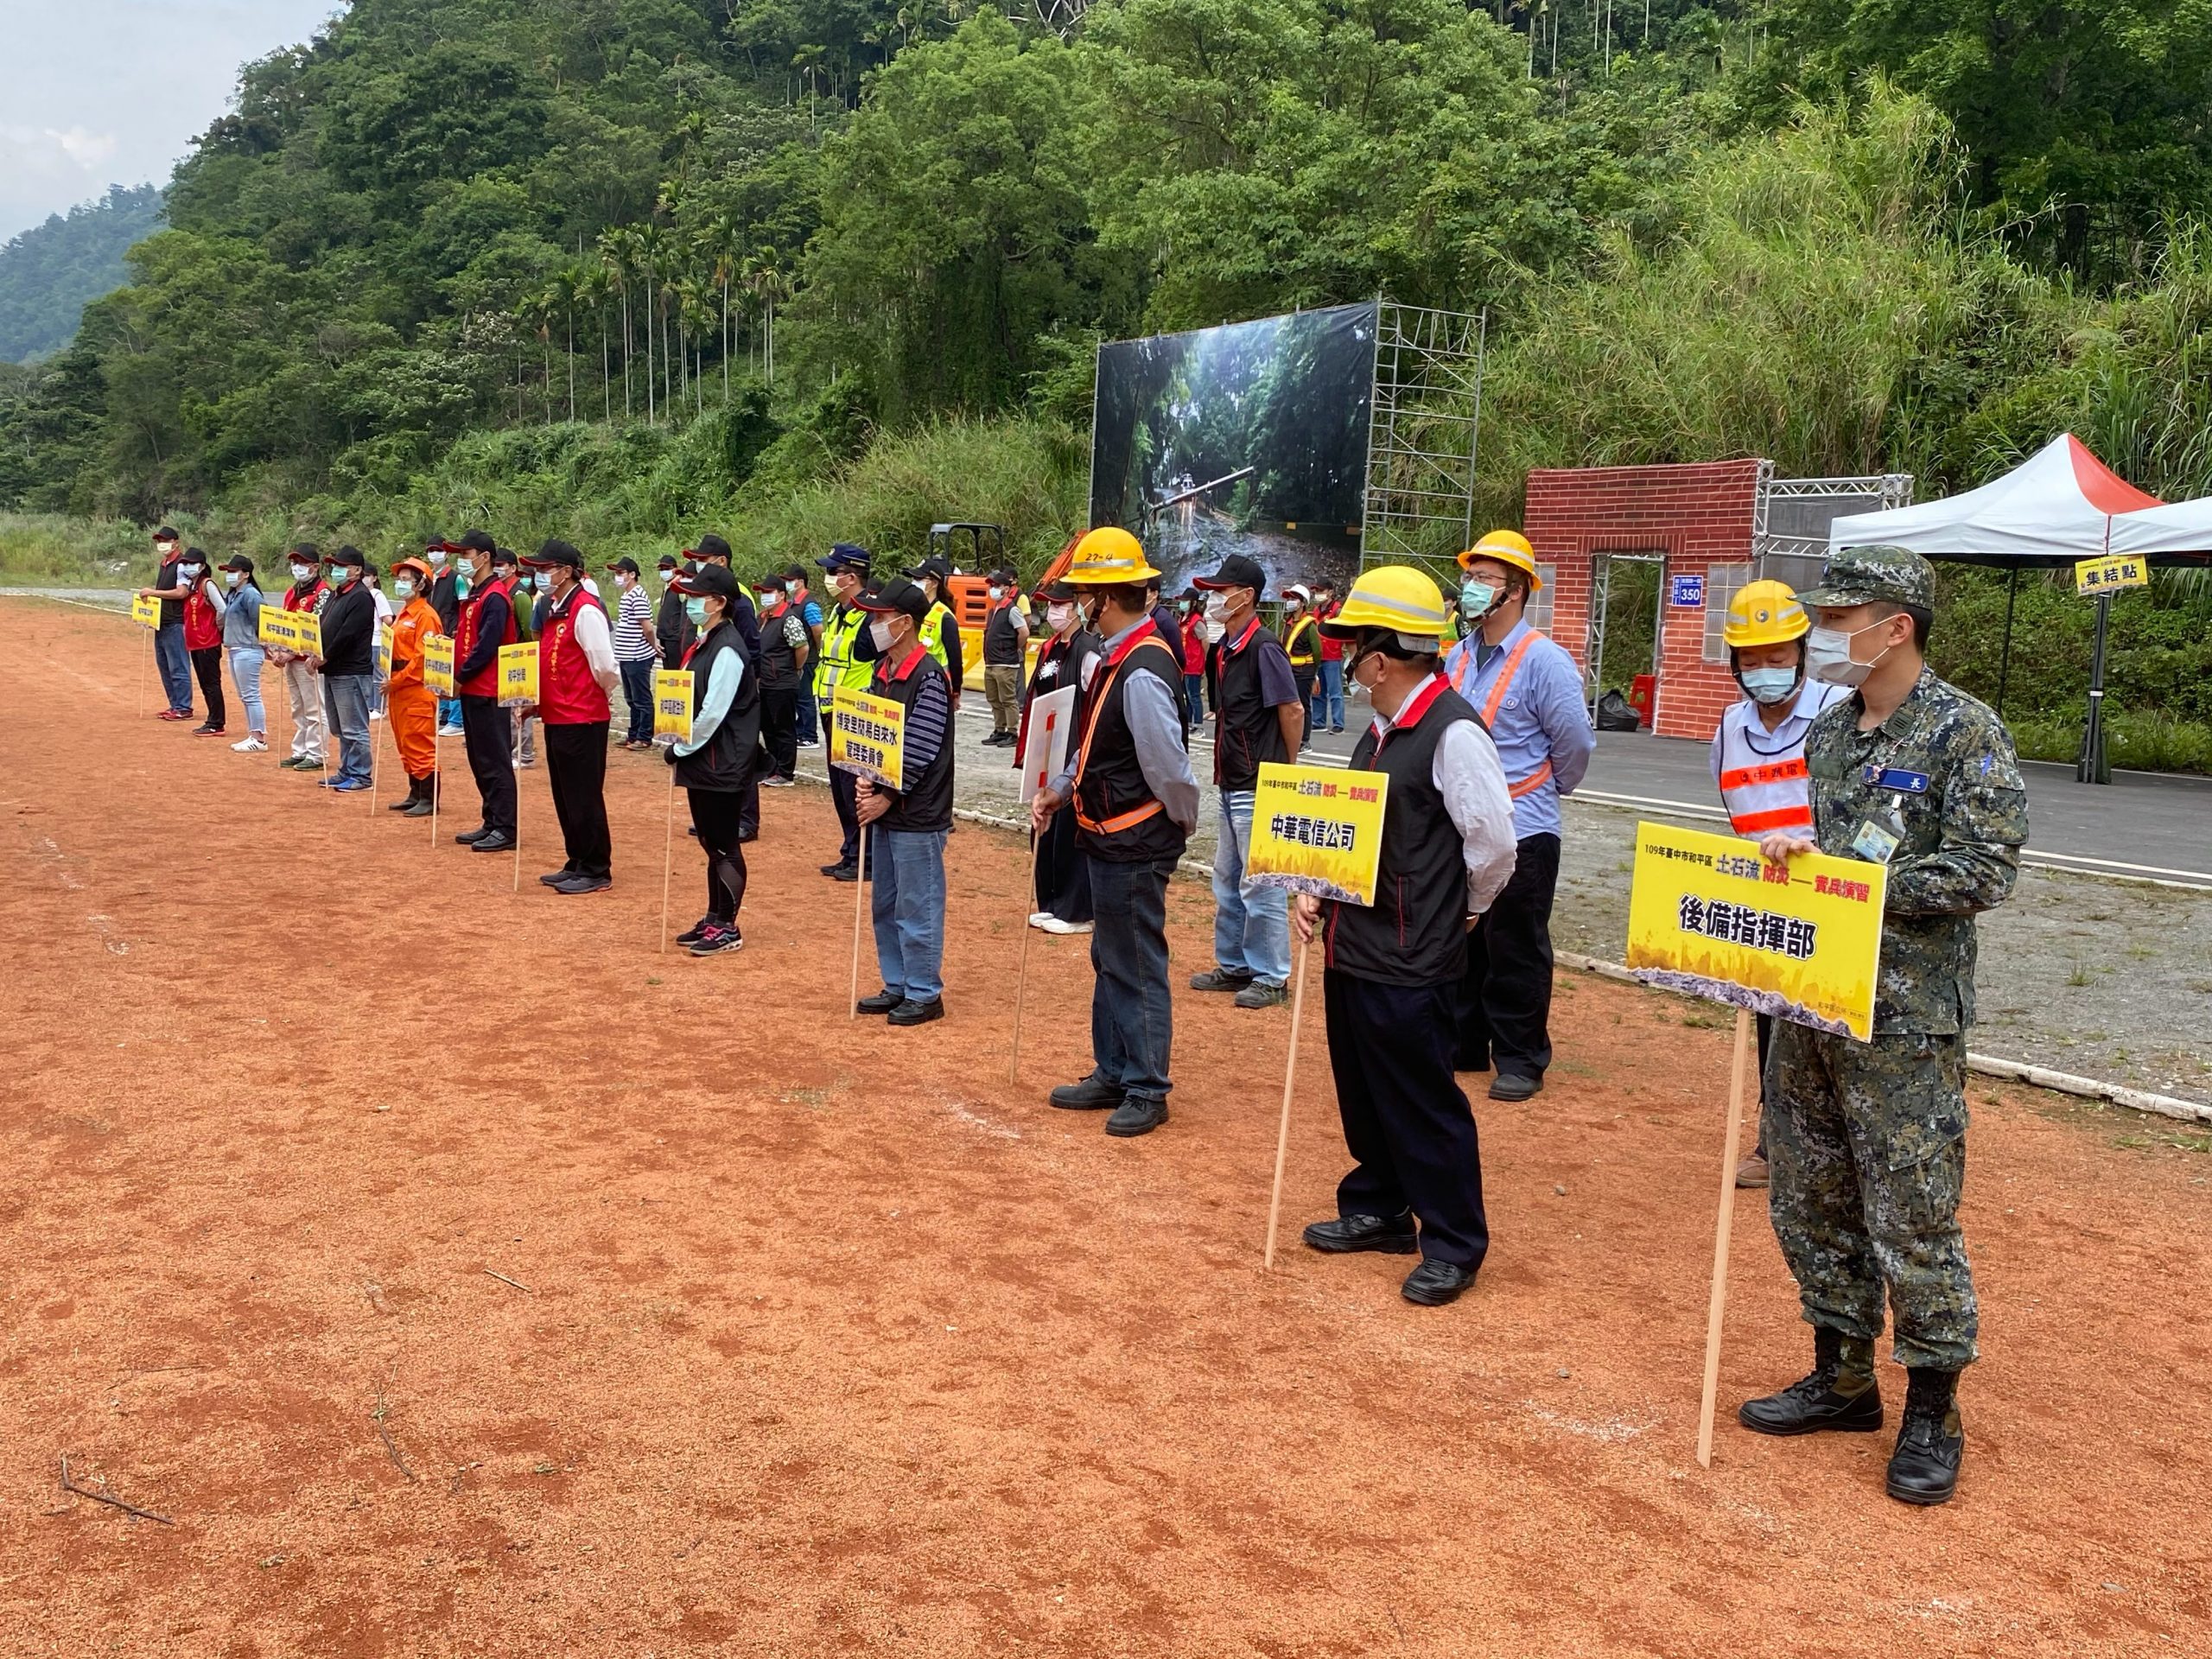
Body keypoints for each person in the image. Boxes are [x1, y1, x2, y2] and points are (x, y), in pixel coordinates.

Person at [1737, 543, 2027, 1509]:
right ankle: (1843, 1377)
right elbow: (1832, 854)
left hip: (1902, 1022)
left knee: (1911, 1216)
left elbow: (1984, 871)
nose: (1821, 636)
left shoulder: (1963, 732)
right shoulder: (1830, 736)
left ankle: (1933, 1408)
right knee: (1812, 1199)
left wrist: (1861, 886)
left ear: (1892, 625)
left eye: (1836, 617)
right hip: (1815, 1004)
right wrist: (1796, 863)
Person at [1291, 567, 1518, 1307]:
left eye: (1352, 648)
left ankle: (1452, 1240)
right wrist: (1314, 887)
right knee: (1362, 1086)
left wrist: (1465, 911)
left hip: (1412, 953)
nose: (1346, 662)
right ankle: (1381, 1205)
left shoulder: (1452, 733)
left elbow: (1494, 847)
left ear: (1380, 660)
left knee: (1421, 1097)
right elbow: (1350, 829)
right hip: (1353, 945)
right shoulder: (1381, 731)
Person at [1031, 528, 1200, 1138]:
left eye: (1083, 594)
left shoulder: (1144, 667)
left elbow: (1170, 770)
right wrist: (1063, 787)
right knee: (1111, 956)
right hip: (1106, 833)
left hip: (1135, 839)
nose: (1076, 603)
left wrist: (1181, 821)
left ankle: (1147, 1086)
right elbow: (1097, 742)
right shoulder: (1116, 656)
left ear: (1104, 599)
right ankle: (1115, 1069)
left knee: (1134, 960)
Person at [1443, 528, 1595, 1102]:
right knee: (1463, 939)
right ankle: (1465, 1041)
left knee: (1515, 943)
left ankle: (1520, 1058)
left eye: (1484, 579)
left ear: (1517, 592)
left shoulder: (1545, 662)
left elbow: (1574, 744)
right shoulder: (1456, 658)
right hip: (1461, 827)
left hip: (1524, 825)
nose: (1472, 588)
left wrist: (1552, 791)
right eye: (1470, 577)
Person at [1710, 580, 1850, 1189]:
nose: (1765, 669)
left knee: (1836, 1026)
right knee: (1773, 1025)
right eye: (1752, 659)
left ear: (1802, 650)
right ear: (1735, 663)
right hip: (1770, 900)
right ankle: (1776, 1144)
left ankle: (1846, 1149)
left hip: (1834, 896)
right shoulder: (1729, 726)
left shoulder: (1839, 712)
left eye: (1778, 656)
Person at [1191, 552, 1302, 1008]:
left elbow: (1291, 709)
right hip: (1232, 779)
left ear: (1246, 596)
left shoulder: (1264, 648)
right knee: (1229, 877)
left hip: (1258, 781)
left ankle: (1272, 976)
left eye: (1221, 591)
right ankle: (1236, 965)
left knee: (1261, 881)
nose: (1214, 599)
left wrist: (1283, 767)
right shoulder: (1226, 649)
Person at [849, 577, 956, 1027]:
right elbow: (875, 734)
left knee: (918, 903)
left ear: (904, 622)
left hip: (918, 812)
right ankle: (896, 984)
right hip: (889, 808)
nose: (872, 624)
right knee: (887, 902)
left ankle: (924, 991)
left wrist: (886, 796)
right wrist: (864, 779)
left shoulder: (928, 675)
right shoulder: (883, 671)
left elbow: (920, 747)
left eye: (879, 616)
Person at [666, 564, 761, 956]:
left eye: (695, 596)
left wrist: (681, 747)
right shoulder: (707, 641)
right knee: (710, 842)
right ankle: (713, 916)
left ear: (719, 602)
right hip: (705, 760)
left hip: (723, 761)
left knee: (724, 845)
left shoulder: (728, 649)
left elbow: (712, 712)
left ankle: (728, 926)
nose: (689, 602)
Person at [522, 541, 622, 893]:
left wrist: (596, 696)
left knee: (584, 795)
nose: (540, 575)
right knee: (565, 795)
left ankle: (596, 868)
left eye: (546, 568)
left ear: (566, 571)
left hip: (583, 718)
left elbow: (606, 666)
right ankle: (577, 859)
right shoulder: (554, 607)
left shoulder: (585, 610)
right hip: (558, 716)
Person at [1020, 579, 1102, 935]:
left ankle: (1076, 910)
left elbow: (1095, 701)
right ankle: (1050, 902)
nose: (1053, 611)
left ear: (1077, 608)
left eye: (1060, 604)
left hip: (1072, 753)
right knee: (1043, 828)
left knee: (1070, 830)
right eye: (1048, 605)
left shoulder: (1088, 652)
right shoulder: (1050, 648)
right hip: (1046, 750)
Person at [450, 531, 519, 853]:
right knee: (479, 758)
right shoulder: (475, 594)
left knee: (495, 759)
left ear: (485, 557)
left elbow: (486, 646)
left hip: (488, 688)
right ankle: (491, 820)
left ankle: (505, 827)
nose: (463, 560)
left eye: (467, 554)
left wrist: (461, 677)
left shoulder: (495, 596)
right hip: (472, 688)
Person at [814, 543, 880, 880]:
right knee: (840, 788)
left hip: (856, 712)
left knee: (856, 787)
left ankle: (865, 858)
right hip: (831, 708)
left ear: (851, 577)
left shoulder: (869, 614)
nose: (827, 578)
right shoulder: (839, 612)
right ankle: (851, 851)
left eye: (832, 572)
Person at [383, 556, 442, 817]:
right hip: (398, 688)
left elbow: (421, 658)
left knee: (419, 741)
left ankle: (429, 798)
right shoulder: (402, 614)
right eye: (399, 579)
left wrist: (395, 680)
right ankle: (415, 792)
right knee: (404, 742)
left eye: (406, 579)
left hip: (415, 688)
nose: (400, 583)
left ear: (420, 584)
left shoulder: (425, 616)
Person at [316, 546, 378, 791]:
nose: (336, 570)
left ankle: (361, 775)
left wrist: (326, 655)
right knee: (340, 727)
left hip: (351, 670)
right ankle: (347, 769)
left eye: (342, 566)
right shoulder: (337, 594)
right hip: (333, 668)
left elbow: (348, 634)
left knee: (354, 727)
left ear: (357, 570)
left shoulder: (361, 597)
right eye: (334, 565)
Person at [272, 545, 328, 771]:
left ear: (315, 567)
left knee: (314, 708)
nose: (297, 567)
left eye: (302, 563)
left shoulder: (322, 593)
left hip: (308, 660)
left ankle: (317, 754)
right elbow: (284, 624)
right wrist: (277, 649)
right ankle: (301, 750)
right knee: (298, 707)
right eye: (294, 563)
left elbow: (317, 629)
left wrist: (294, 652)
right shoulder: (292, 591)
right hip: (290, 658)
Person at [753, 571, 810, 786]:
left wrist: (794, 668)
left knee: (784, 729)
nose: (765, 596)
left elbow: (802, 648)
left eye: (769, 592)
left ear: (781, 595)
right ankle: (773, 768)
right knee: (768, 727)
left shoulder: (790, 619)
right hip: (766, 682)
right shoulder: (764, 618)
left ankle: (785, 772)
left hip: (783, 682)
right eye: (763, 592)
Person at [137, 527, 194, 721]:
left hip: (175, 622)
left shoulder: (181, 565)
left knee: (178, 666)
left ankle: (183, 706)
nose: (162, 543)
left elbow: (181, 592)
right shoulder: (165, 564)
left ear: (176, 542)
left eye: (166, 540)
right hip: (161, 622)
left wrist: (154, 593)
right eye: (159, 540)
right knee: (165, 665)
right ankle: (175, 704)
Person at [216, 555, 268, 752]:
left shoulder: (250, 595)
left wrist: (265, 645)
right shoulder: (234, 594)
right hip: (237, 649)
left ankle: (259, 738)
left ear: (246, 574)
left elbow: (260, 621)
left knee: (251, 695)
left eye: (233, 571)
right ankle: (253, 734)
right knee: (246, 695)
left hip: (248, 649)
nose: (230, 575)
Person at [609, 556, 658, 749]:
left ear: (632, 575)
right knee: (631, 698)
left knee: (641, 698)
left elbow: (647, 627)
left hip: (637, 655)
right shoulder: (628, 595)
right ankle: (634, 734)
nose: (618, 577)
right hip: (626, 654)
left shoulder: (637, 595)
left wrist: (653, 645)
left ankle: (644, 737)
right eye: (616, 573)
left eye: (621, 573)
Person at [179, 549, 227, 736]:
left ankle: (217, 722)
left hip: (208, 642)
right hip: (196, 643)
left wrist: (216, 628)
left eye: (192, 563)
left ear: (202, 565)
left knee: (212, 683)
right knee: (205, 683)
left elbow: (222, 609)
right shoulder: (192, 585)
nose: (188, 567)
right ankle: (212, 719)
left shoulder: (207, 585)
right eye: (186, 564)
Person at [980, 566, 1029, 746]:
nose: (992, 588)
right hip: (992, 662)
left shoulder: (1012, 610)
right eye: (991, 585)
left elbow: (1023, 632)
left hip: (1005, 663)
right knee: (994, 698)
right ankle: (1000, 729)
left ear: (1006, 589)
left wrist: (1012, 648)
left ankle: (1012, 732)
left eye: (996, 585)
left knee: (1008, 699)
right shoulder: (994, 610)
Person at [427, 540, 466, 736]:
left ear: (446, 554)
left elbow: (464, 607)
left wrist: (457, 631)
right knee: (437, 675)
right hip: (433, 636)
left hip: (451, 634)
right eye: (431, 550)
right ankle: (443, 715)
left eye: (438, 550)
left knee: (454, 676)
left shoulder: (456, 578)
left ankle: (457, 721)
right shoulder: (427, 577)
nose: (435, 554)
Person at [785, 564, 825, 747]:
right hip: (799, 658)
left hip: (808, 658)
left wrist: (818, 651)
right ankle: (800, 732)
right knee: (799, 697)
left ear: (800, 582)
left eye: (789, 580)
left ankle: (810, 736)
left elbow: (818, 631)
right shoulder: (795, 603)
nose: (787, 584)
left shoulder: (809, 604)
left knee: (805, 698)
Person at [1281, 584, 1321, 742]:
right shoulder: (1288, 623)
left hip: (1304, 671)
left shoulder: (1309, 625)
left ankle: (1304, 740)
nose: (1290, 601)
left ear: (1302, 603)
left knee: (1303, 706)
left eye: (1294, 598)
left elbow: (1317, 652)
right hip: (1288, 670)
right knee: (1288, 705)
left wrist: (1314, 673)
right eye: (1289, 598)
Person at [1312, 579, 1347, 734]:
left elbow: (1344, 630)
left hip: (1333, 656)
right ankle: (1318, 721)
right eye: (1316, 591)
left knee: (1335, 692)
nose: (1318, 594)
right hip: (1319, 656)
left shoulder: (1337, 610)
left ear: (1330, 592)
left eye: (1321, 591)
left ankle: (1338, 723)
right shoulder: (1316, 610)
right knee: (1318, 691)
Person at [655, 552, 696, 670]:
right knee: (667, 671)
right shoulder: (667, 587)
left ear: (675, 569)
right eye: (662, 569)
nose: (664, 571)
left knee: (675, 671)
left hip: (674, 638)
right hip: (664, 637)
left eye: (667, 568)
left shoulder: (680, 587)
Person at [365, 562, 395, 717]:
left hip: (377, 640)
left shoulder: (377, 595)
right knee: (369, 675)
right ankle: (371, 706)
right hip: (367, 641)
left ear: (374, 578)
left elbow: (388, 619)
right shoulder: (363, 593)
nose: (365, 578)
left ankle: (379, 708)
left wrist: (381, 633)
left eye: (367, 575)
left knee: (377, 675)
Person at [1178, 589, 1208, 731]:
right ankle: (1189, 723)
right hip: (1184, 663)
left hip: (1194, 664)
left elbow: (1205, 641)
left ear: (1194, 603)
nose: (1182, 604)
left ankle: (1198, 725)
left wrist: (1203, 658)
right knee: (1187, 696)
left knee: (1194, 696)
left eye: (1186, 601)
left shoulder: (1197, 621)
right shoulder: (1182, 619)